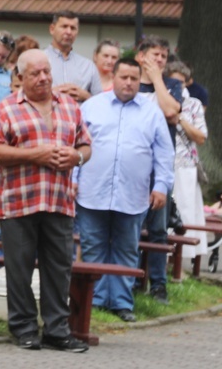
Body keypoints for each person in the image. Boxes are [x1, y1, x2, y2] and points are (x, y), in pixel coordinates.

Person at [0, 49, 91, 353]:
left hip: (59, 201)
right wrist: (36, 154)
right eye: (35, 73)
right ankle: (24, 329)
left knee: (59, 269)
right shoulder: (6, 108)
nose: (43, 77)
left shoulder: (70, 106)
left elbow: (86, 145)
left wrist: (77, 157)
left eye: (46, 71)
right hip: (19, 202)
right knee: (19, 269)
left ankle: (58, 330)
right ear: (20, 77)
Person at [76, 58, 175, 323]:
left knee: (127, 248)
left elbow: (164, 153)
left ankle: (121, 302)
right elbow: (75, 145)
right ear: (114, 77)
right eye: (124, 77)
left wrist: (162, 186)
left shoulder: (151, 112)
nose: (129, 83)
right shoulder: (91, 107)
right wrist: (72, 178)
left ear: (139, 79)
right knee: (93, 246)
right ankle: (94, 300)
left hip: (133, 194)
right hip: (91, 191)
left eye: (134, 78)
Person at [135, 35, 182, 305]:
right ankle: (130, 279)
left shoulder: (172, 85)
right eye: (155, 54)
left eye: (164, 56)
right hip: (134, 168)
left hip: (160, 170)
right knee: (130, 228)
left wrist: (157, 81)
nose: (160, 60)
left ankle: (158, 285)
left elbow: (169, 110)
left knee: (159, 230)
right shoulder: (130, 83)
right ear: (141, 56)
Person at [165, 61, 208, 260]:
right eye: (173, 81)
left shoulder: (194, 105)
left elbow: (200, 137)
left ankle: (181, 258)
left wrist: (180, 117)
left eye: (181, 83)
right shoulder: (158, 99)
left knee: (185, 210)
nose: (177, 86)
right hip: (163, 163)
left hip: (185, 166)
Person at [45, 11, 102, 102]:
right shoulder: (37, 61)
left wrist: (86, 96)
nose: (68, 32)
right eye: (64, 26)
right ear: (52, 29)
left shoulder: (88, 66)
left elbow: (100, 103)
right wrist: (50, 93)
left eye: (73, 28)